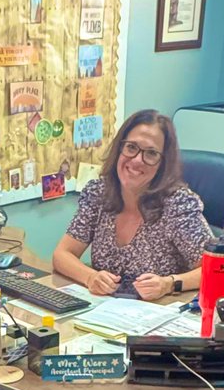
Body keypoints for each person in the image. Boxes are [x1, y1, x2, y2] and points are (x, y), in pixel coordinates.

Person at [53, 109, 212, 300]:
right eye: (131, 147)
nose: (137, 160)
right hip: (105, 313)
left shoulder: (177, 204)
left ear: (163, 163)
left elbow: (218, 269)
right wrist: (91, 277)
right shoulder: (99, 193)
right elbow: (62, 254)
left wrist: (169, 283)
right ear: (119, 149)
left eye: (151, 153)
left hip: (159, 314)